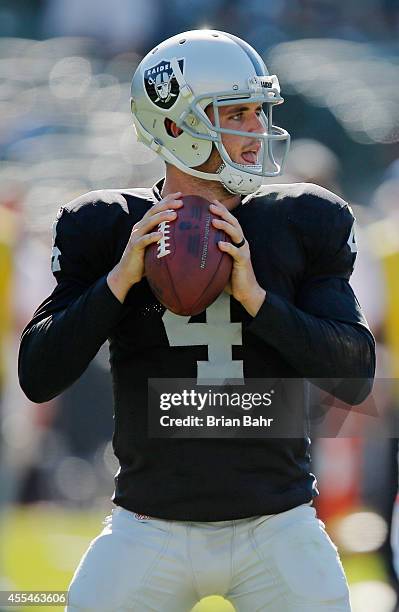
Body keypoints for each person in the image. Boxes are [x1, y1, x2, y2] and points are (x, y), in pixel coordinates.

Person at [18, 30, 375, 612]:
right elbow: (38, 374)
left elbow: (355, 374)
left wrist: (258, 300)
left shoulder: (303, 219)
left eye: (260, 112)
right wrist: (118, 282)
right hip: (147, 524)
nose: (256, 131)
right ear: (175, 126)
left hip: (276, 525)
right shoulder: (106, 226)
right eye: (236, 113)